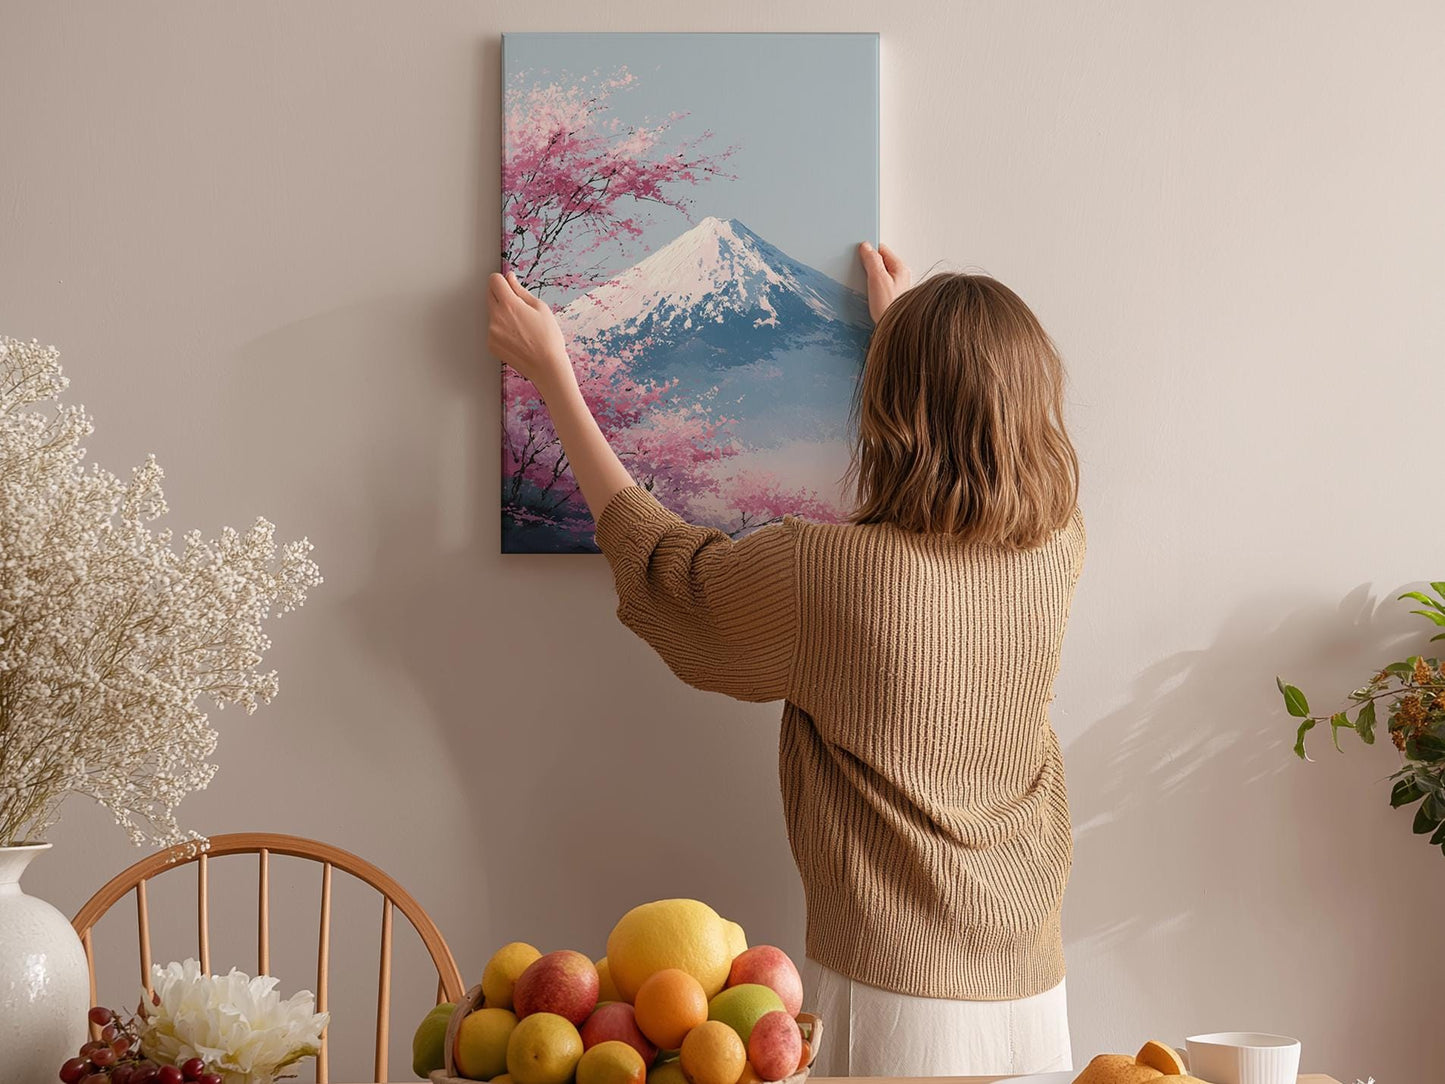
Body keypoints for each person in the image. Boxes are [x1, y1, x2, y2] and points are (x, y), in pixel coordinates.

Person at [486, 241, 1085, 1077]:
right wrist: (903, 335)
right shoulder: (1056, 549)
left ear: (890, 407)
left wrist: (552, 375)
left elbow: (669, 572)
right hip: (1032, 987)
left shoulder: (824, 574)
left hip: (893, 994)